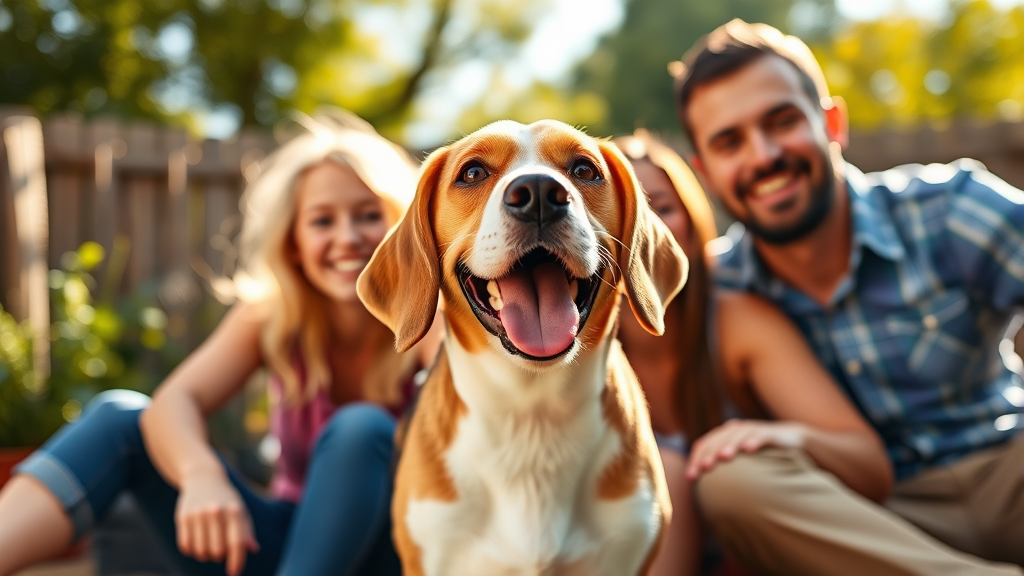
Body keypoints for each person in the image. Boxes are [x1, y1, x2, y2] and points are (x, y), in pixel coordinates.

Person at [0, 110, 442, 576]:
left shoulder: (434, 318)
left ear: (403, 226)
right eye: (322, 221)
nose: (347, 238)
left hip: (400, 551)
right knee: (120, 419)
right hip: (290, 549)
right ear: (293, 241)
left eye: (369, 215)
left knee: (361, 429)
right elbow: (173, 402)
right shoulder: (271, 316)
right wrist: (201, 475)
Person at [671, 19, 1024, 575]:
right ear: (705, 173)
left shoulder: (949, 207)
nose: (763, 155)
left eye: (782, 121)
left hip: (1007, 464)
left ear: (832, 123)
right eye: (729, 142)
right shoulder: (717, 294)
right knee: (730, 481)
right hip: (867, 522)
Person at [613, 131, 892, 576]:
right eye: (616, 210)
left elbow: (870, 467)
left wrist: (786, 436)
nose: (641, 228)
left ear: (693, 224)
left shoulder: (735, 322)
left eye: (661, 208)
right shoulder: (560, 349)